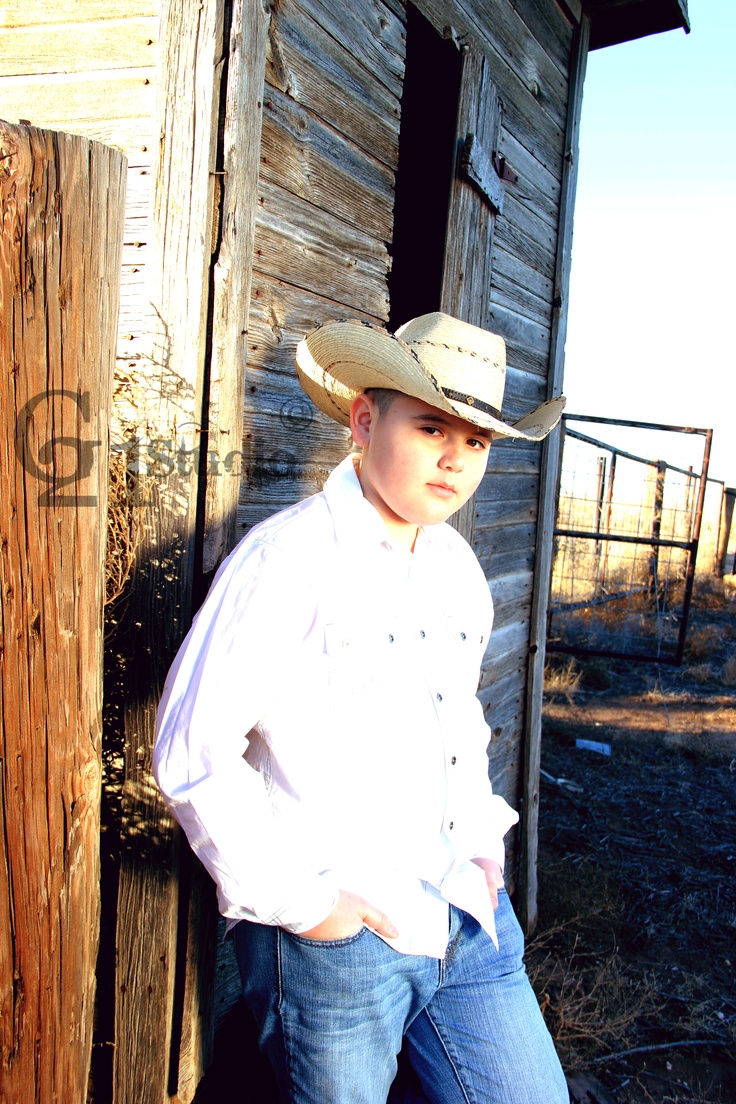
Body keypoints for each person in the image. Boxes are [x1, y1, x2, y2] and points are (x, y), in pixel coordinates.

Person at [153, 312, 569, 1103]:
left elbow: (461, 727)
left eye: (477, 441)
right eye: (432, 428)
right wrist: (308, 907)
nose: (455, 459)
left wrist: (484, 846)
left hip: (466, 913)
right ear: (365, 419)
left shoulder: (456, 569)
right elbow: (191, 748)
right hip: (341, 941)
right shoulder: (290, 557)